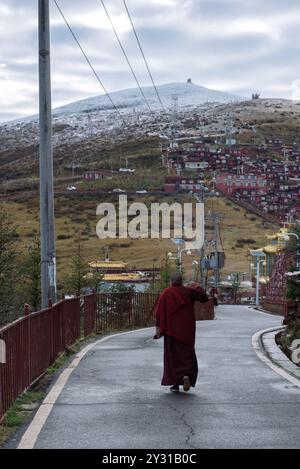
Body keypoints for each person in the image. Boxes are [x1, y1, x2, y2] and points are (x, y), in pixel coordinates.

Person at [154, 272, 208, 393]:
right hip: (187, 330)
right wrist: (197, 286)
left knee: (172, 357)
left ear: (171, 281)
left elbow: (159, 313)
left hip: (171, 330)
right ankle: (186, 376)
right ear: (181, 281)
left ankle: (175, 384)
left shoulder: (166, 293)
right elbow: (204, 297)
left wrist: (158, 329)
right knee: (186, 354)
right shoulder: (188, 291)